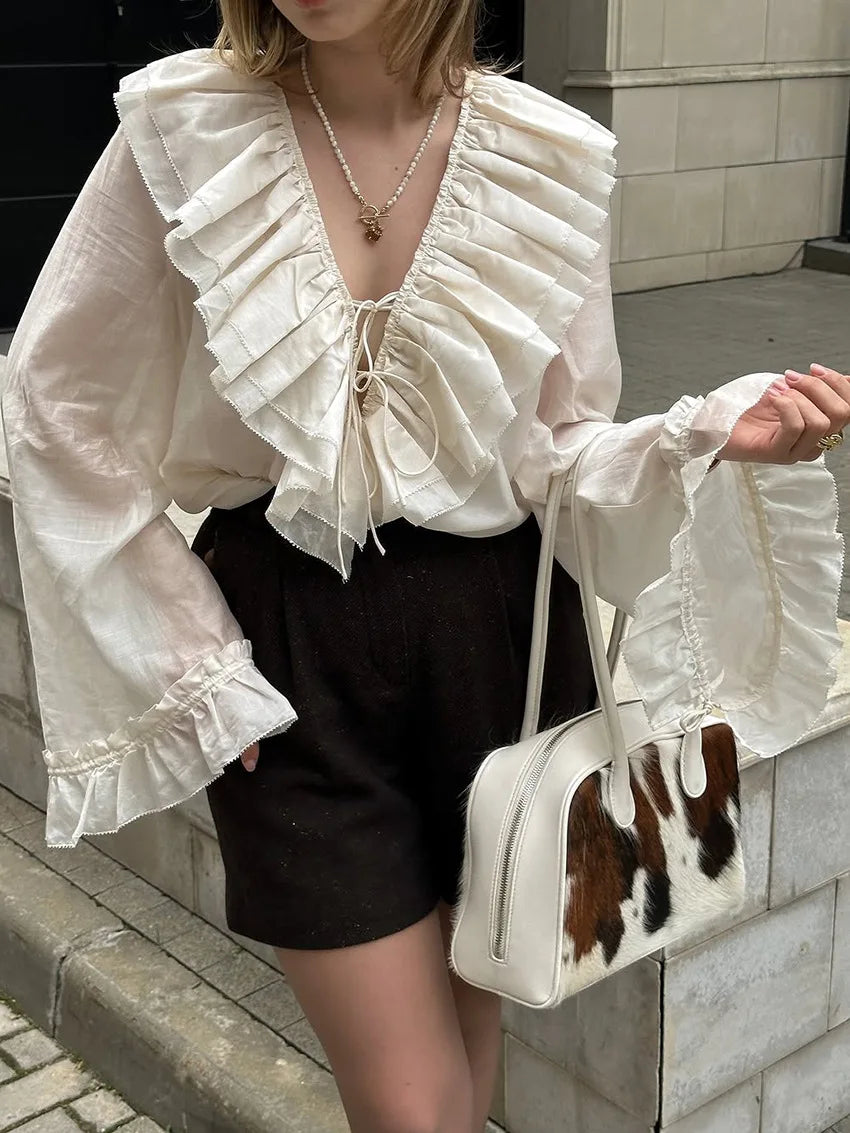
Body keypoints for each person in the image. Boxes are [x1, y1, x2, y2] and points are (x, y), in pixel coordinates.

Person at [1, 1, 847, 1130]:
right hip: (287, 645)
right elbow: (56, 406)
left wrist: (702, 435)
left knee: (464, 1065)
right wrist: (188, 661)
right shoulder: (182, 125)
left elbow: (554, 451)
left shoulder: (544, 151)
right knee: (411, 1109)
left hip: (499, 634)